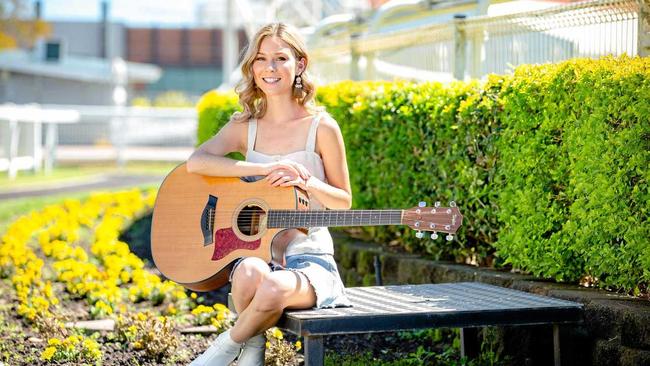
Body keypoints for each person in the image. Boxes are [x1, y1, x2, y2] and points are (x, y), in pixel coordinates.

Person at [186, 22, 353, 366]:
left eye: (280, 58)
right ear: (252, 67)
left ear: (300, 65)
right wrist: (263, 169)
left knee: (274, 288)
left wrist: (307, 182)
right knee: (248, 272)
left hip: (309, 259)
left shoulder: (321, 127)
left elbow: (344, 201)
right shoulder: (243, 127)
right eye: (261, 59)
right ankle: (253, 354)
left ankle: (221, 352)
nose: (270, 68)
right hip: (259, 252)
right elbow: (196, 162)